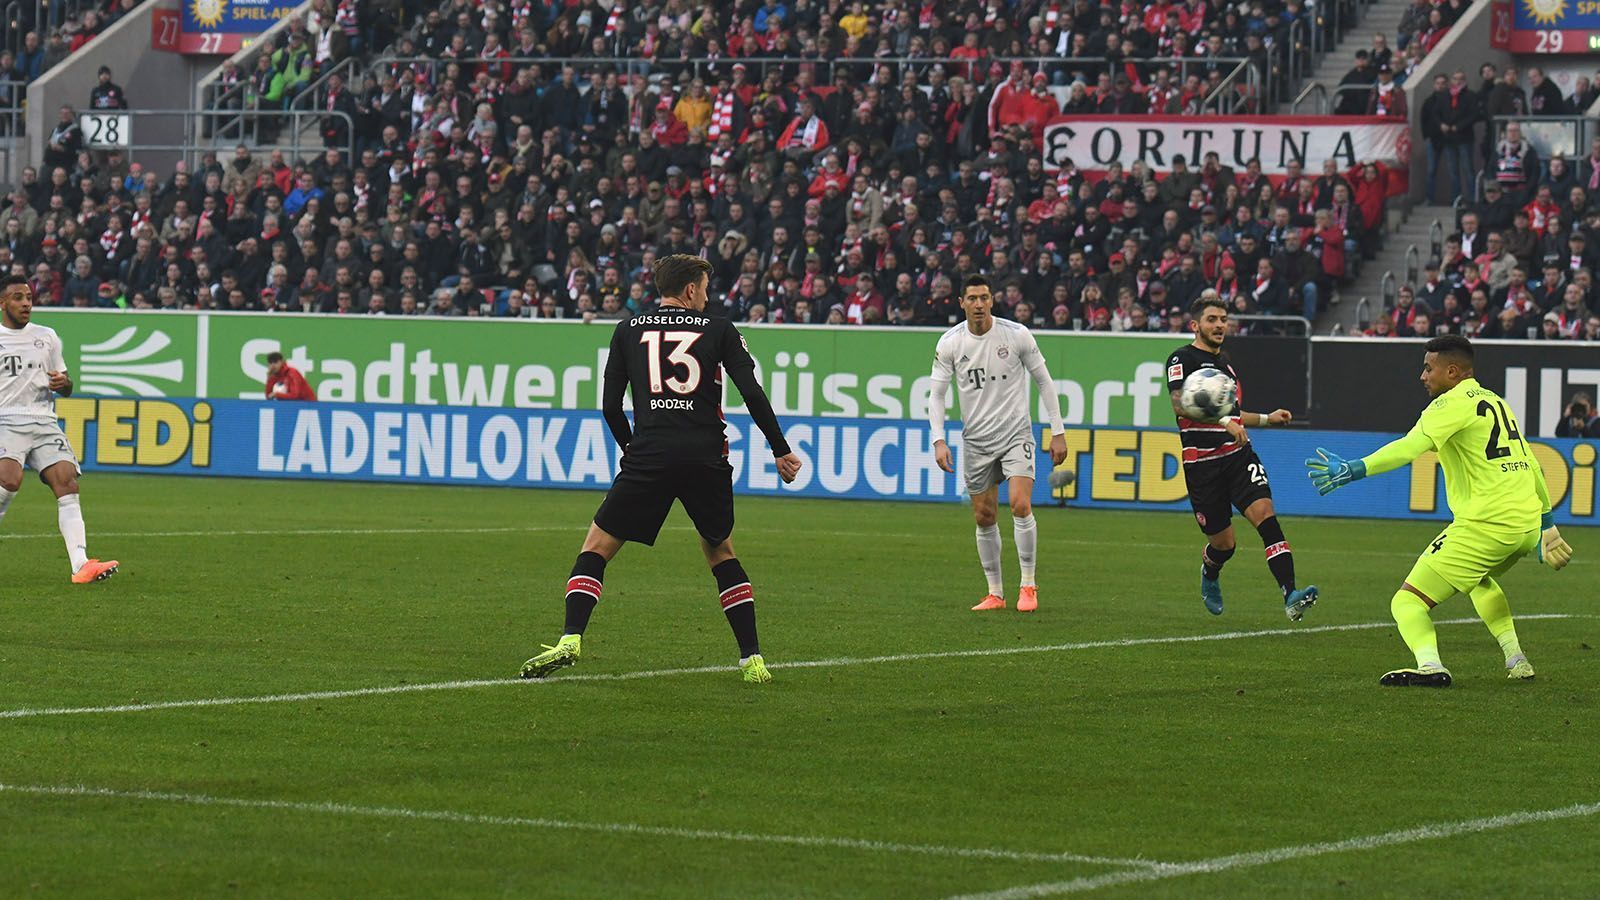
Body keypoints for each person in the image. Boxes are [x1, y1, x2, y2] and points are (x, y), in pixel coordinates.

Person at [520, 255, 801, 685]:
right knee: (720, 550)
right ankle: (752, 661)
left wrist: (631, 449)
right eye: (705, 289)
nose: (708, 297)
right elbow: (751, 392)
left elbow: (610, 407)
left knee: (596, 547)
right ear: (690, 290)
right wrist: (779, 449)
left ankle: (571, 638)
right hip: (705, 457)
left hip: (649, 455)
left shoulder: (627, 330)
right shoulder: (719, 329)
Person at [1306, 335, 1573, 687]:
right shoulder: (1496, 402)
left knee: (1406, 602)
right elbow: (1534, 465)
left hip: (1486, 525)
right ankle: (1516, 657)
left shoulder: (1450, 405)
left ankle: (1431, 666)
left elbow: (1410, 447)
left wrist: (1356, 468)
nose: (1422, 376)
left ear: (1452, 371)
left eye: (1428, 368)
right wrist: (1547, 525)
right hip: (1524, 526)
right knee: (1477, 581)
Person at [1166, 293, 1318, 619]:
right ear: (1195, 325)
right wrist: (1224, 423)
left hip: (1237, 456)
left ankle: (1291, 594)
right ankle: (1210, 571)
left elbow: (1233, 414)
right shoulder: (1181, 360)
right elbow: (1181, 406)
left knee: (1266, 516)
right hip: (1202, 465)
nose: (1220, 325)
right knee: (1225, 545)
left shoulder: (1226, 367)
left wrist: (1267, 418)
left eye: (1223, 320)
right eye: (1212, 319)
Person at [927, 274, 1067, 613]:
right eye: (972, 298)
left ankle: (1028, 586)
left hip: (1015, 433)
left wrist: (1058, 430)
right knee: (984, 515)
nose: (979, 304)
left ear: (993, 300)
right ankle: (995, 593)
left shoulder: (1016, 334)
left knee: (1020, 504)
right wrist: (938, 439)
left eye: (984, 297)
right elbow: (937, 395)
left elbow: (1044, 382)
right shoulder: (950, 342)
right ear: (961, 302)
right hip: (976, 440)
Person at [0, 275, 118, 584]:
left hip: (44, 419)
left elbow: (65, 384)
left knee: (67, 482)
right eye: (17, 297)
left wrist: (64, 384)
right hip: (5, 418)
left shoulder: (47, 336)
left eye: (28, 296)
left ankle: (81, 565)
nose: (26, 302)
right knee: (8, 481)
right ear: (3, 303)